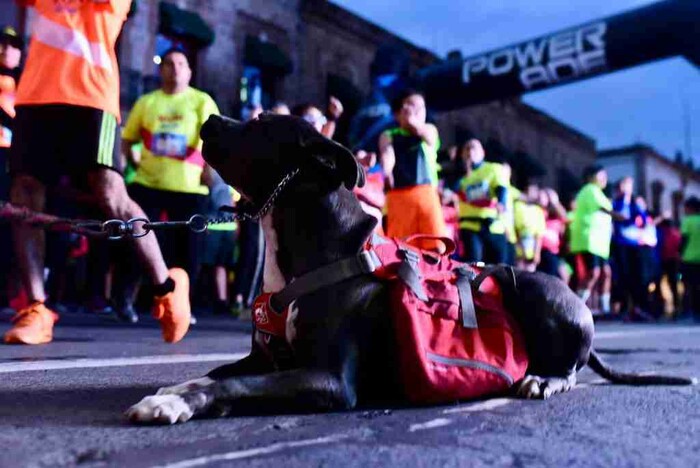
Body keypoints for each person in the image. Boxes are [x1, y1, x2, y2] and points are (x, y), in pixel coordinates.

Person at [5, 0, 190, 345]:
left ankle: (166, 287)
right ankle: (36, 307)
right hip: (35, 96)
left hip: (91, 96)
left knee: (111, 195)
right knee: (25, 192)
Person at [118, 47, 219, 323]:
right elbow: (127, 139)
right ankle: (127, 300)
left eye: (181, 63)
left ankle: (181, 304)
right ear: (161, 70)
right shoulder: (147, 102)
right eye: (169, 63)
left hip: (189, 189)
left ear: (189, 71)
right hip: (147, 184)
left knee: (189, 252)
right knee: (136, 242)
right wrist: (134, 163)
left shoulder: (202, 101)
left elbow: (215, 141)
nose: (175, 68)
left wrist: (208, 171)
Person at [379, 89, 446, 247]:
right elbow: (387, 154)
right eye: (409, 106)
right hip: (398, 196)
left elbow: (428, 137)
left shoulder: (429, 129)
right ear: (397, 114)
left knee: (435, 246)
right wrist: (387, 171)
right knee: (401, 247)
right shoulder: (388, 134)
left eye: (420, 107)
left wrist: (413, 121)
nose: (415, 111)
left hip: (426, 195)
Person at [569, 165, 625, 316]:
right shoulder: (589, 190)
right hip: (589, 240)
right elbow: (603, 209)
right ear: (591, 176)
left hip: (600, 244)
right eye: (601, 175)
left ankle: (605, 308)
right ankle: (576, 306)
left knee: (606, 273)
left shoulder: (600, 193)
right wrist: (619, 215)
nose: (605, 178)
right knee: (593, 273)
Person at [456, 139, 508, 263]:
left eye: (474, 148)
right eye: (467, 149)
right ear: (462, 154)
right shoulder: (459, 174)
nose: (470, 152)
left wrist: (501, 203)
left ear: (483, 153)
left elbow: (501, 188)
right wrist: (462, 172)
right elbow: (452, 190)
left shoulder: (493, 168)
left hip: (492, 225)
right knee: (473, 263)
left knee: (499, 266)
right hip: (469, 225)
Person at [0, 25, 22, 310]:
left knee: (13, 223)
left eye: (12, 45)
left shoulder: (30, 79)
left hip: (15, 158)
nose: (5, 49)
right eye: (2, 44)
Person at [538, 188, 570, 282]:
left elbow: (565, 217)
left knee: (564, 277)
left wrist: (554, 201)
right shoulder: (540, 212)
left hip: (555, 252)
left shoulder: (556, 216)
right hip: (542, 250)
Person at [514, 183, 546, 272]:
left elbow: (539, 234)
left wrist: (537, 253)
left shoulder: (538, 210)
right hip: (519, 252)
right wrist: (521, 250)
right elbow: (516, 229)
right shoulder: (518, 206)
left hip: (532, 252)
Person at [680, 196, 700, 321]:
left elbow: (684, 240)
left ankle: (690, 312)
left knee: (689, 287)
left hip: (689, 258)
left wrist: (679, 252)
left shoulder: (688, 221)